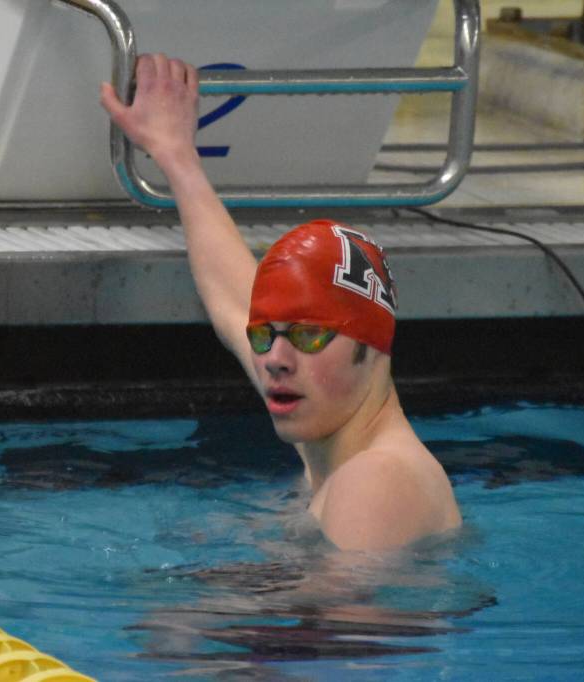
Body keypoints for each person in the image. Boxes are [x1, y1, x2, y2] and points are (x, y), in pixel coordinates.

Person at [101, 54, 461, 551]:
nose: (274, 361)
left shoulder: (375, 480)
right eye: (264, 336)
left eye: (310, 335)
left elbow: (342, 626)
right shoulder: (333, 433)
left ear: (372, 345)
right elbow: (234, 303)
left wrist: (196, 611)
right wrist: (175, 155)